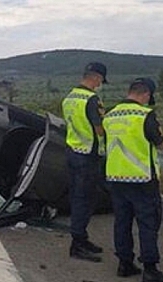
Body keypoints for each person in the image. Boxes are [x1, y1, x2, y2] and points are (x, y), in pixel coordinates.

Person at [103, 77, 163, 282]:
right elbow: (160, 144)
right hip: (142, 178)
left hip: (115, 177)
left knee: (122, 222)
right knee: (148, 223)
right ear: (146, 94)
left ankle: (125, 263)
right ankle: (150, 269)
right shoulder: (145, 115)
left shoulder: (110, 115)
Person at [61, 62, 108, 262]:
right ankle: (77, 244)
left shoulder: (70, 97)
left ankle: (81, 238)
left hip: (73, 151)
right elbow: (100, 128)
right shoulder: (91, 99)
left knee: (78, 197)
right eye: (100, 80)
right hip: (88, 155)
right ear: (95, 77)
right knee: (85, 200)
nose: (100, 84)